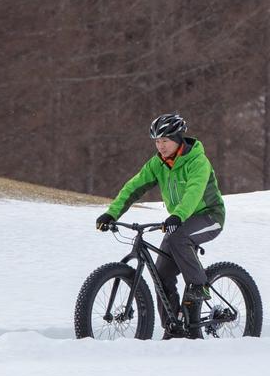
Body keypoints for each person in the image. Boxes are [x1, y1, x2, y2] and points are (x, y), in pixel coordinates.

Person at [96, 113, 227, 337]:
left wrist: (178, 216)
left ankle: (199, 285)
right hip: (179, 221)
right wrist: (112, 213)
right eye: (157, 141)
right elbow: (133, 187)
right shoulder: (158, 164)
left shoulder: (197, 161)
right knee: (162, 274)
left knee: (178, 238)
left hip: (209, 217)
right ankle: (175, 327)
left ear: (178, 138)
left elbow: (193, 192)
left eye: (165, 140)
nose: (161, 146)